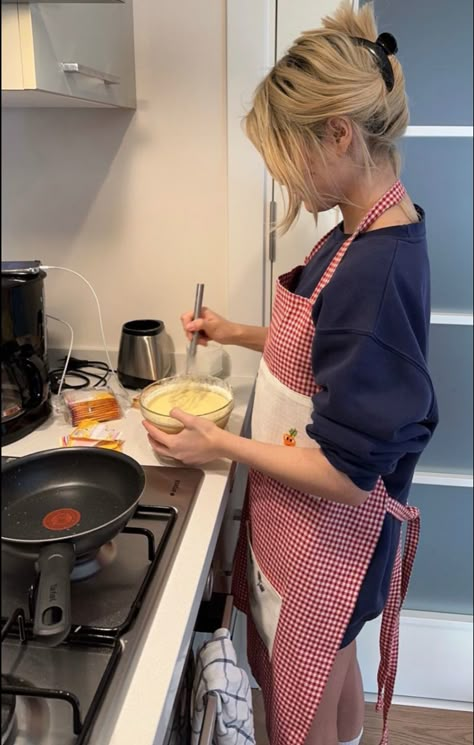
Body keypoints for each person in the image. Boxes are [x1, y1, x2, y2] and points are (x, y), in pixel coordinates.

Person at [143, 3, 438, 744]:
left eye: (287, 157)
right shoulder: (364, 228)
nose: (282, 179)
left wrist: (220, 445)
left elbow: (344, 473)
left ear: (338, 133)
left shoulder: (375, 268)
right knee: (330, 682)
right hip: (322, 533)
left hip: (335, 532)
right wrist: (235, 332)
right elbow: (328, 349)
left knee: (304, 703)